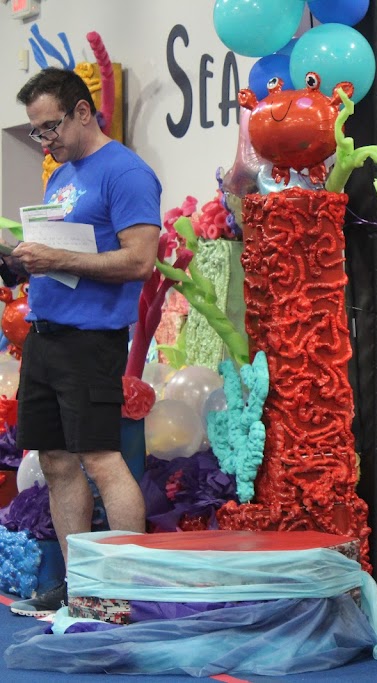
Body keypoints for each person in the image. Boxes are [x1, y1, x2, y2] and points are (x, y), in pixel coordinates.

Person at [3, 68, 161, 616]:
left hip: (91, 341)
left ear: (83, 112)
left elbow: (140, 261)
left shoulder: (126, 172)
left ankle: (126, 587)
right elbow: (62, 254)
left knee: (101, 458)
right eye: (36, 132)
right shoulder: (62, 175)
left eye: (50, 127)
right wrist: (24, 261)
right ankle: (81, 587)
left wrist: (57, 258)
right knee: (55, 460)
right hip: (46, 335)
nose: (45, 140)